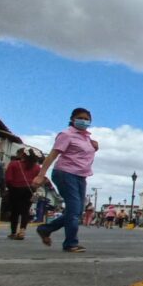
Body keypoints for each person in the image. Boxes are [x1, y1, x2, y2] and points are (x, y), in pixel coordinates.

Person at [33, 108, 99, 253]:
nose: (84, 121)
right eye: (80, 118)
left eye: (87, 119)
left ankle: (45, 229)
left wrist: (95, 147)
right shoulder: (66, 134)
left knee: (77, 210)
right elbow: (52, 155)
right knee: (74, 210)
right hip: (65, 173)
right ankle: (70, 243)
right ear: (73, 119)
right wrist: (41, 174)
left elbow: (83, 154)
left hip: (81, 176)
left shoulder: (86, 138)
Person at [5, 148, 41, 240]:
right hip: (29, 190)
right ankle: (22, 231)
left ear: (23, 155)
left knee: (15, 212)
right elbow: (39, 180)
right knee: (25, 211)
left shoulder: (14, 164)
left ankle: (13, 232)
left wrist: (10, 188)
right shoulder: (37, 167)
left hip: (15, 189)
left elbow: (8, 179)